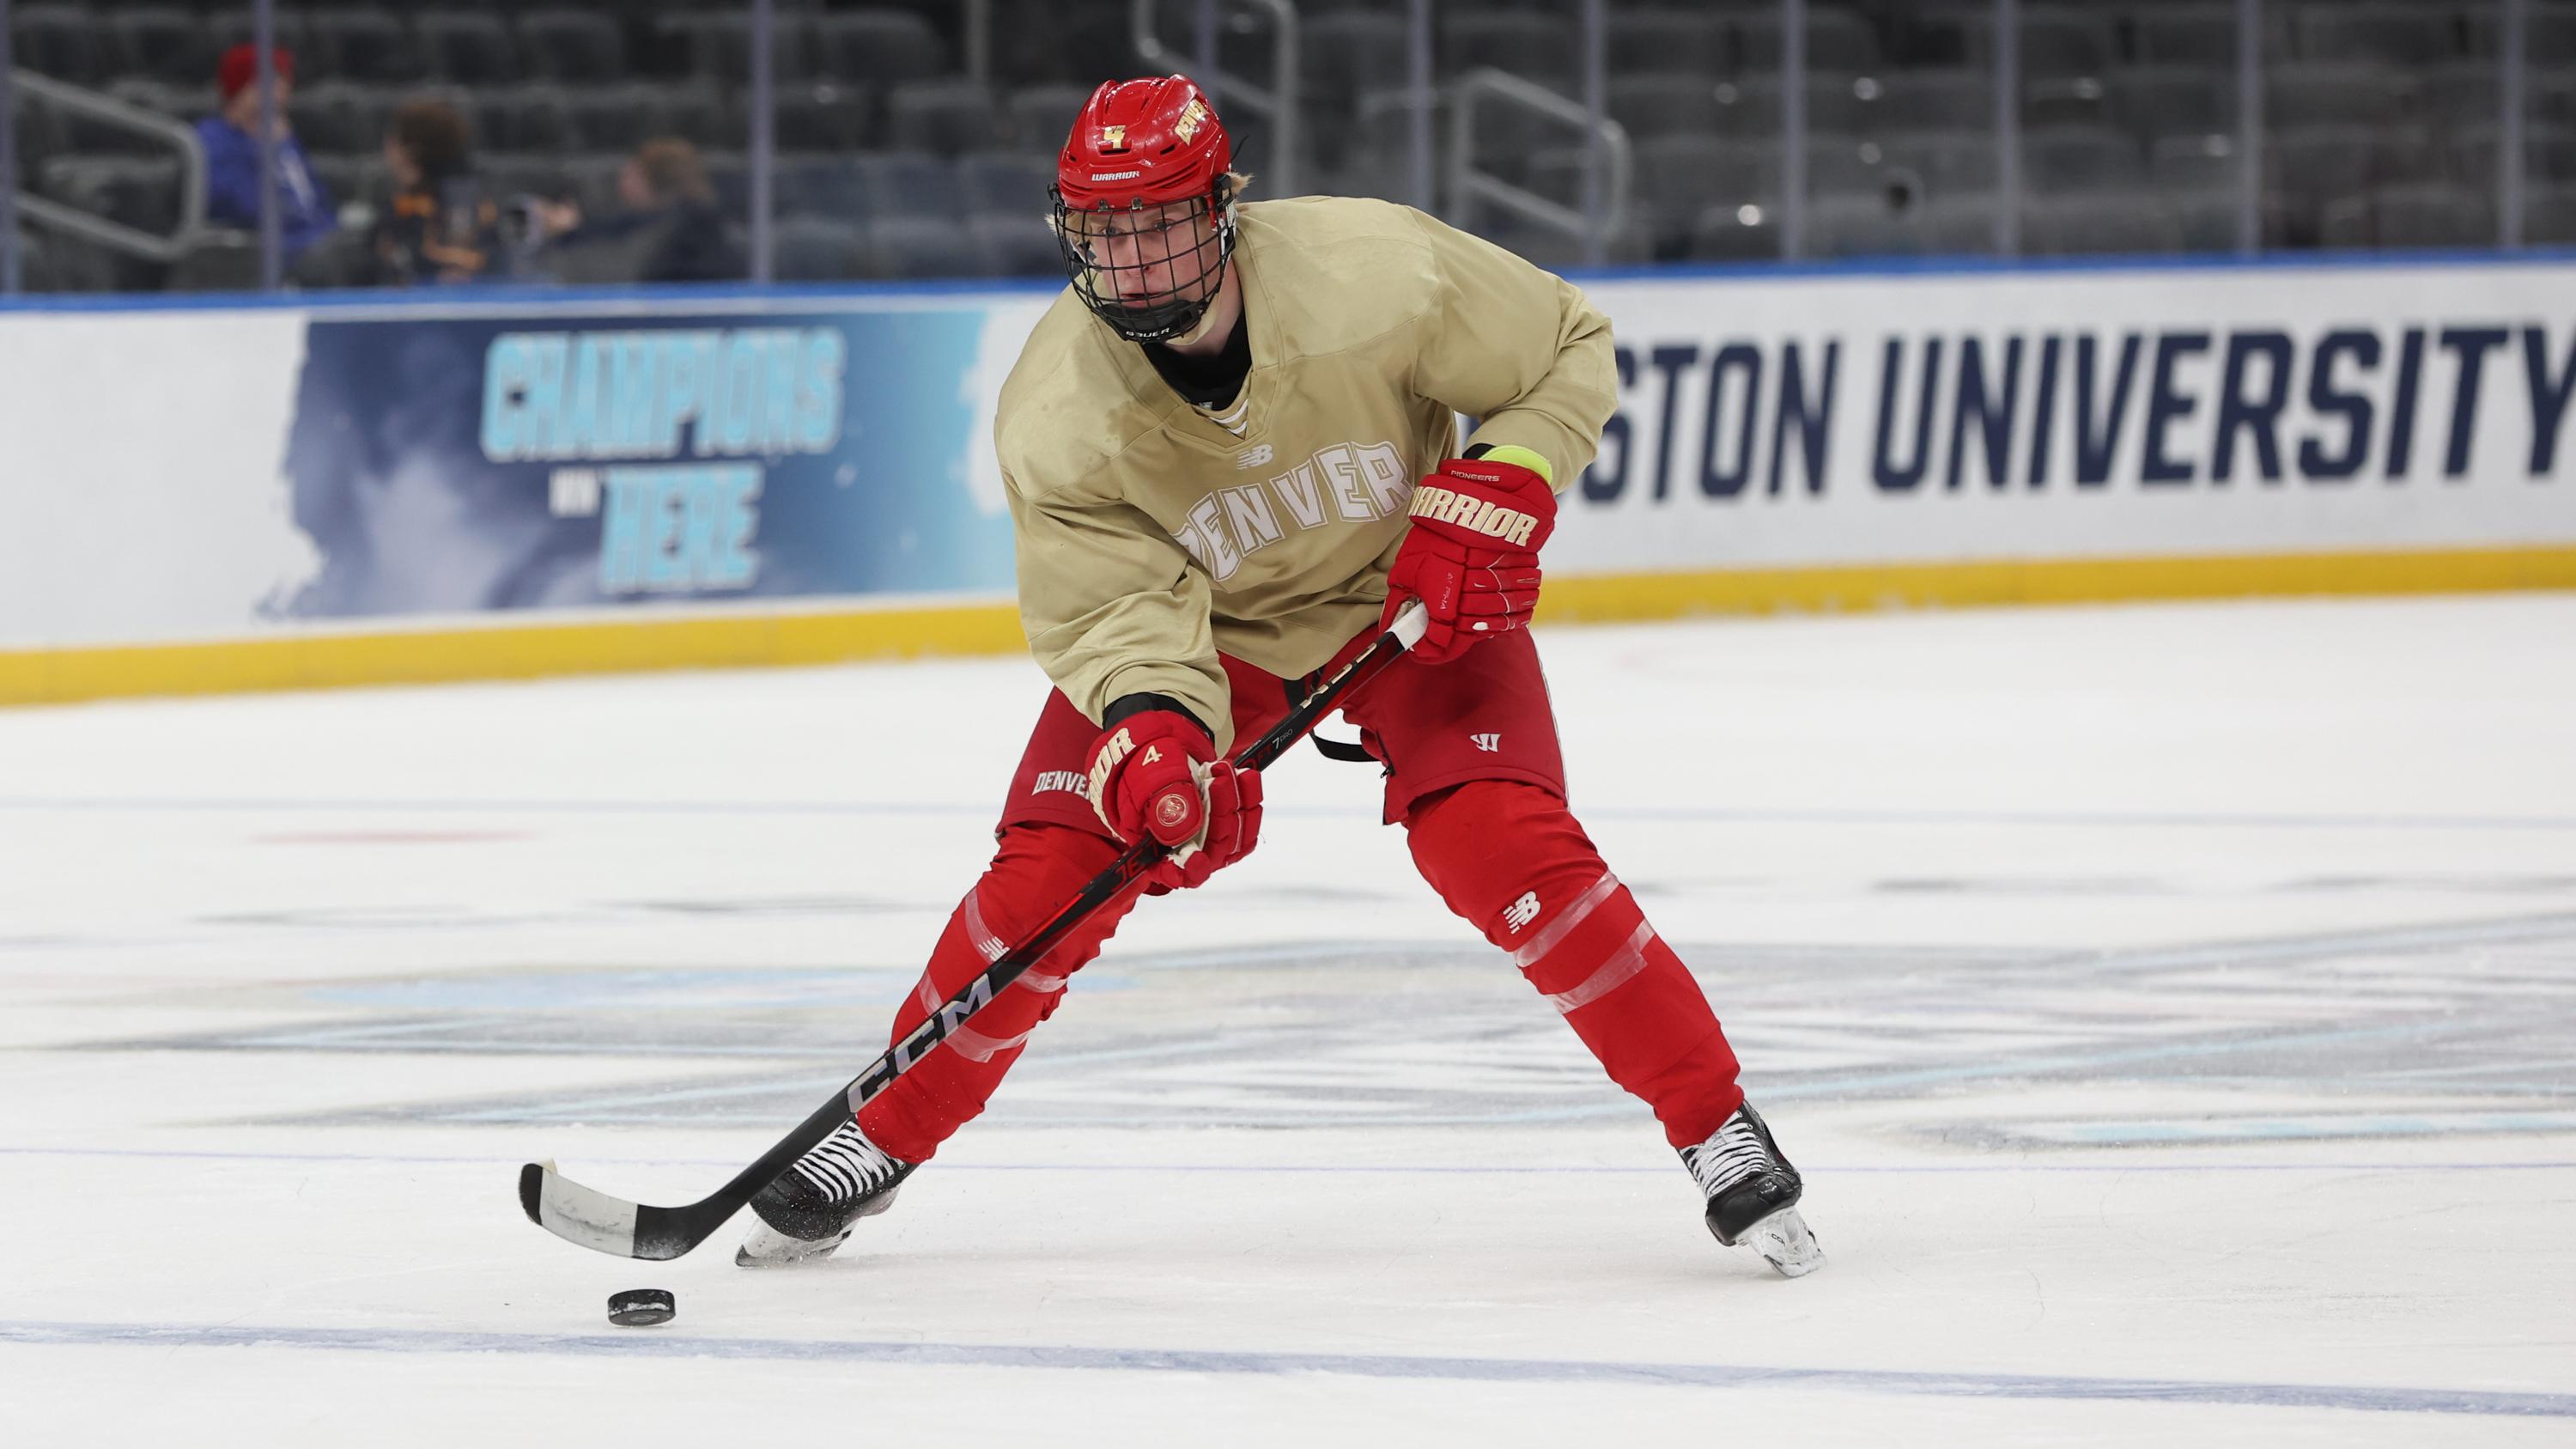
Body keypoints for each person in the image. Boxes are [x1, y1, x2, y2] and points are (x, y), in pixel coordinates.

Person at [735, 76, 1823, 1279]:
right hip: (1215, 635)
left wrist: (1507, 476)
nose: (1134, 262)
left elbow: (1565, 343)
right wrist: (1158, 734)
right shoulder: (1058, 409)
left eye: (1159, 224)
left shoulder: (1374, 272)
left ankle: (1715, 1121)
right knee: (1055, 868)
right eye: (1106, 233)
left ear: (1223, 208)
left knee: (1504, 842)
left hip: (1412, 593)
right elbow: (1115, 611)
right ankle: (879, 1133)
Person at [522, 138, 742, 284]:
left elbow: (621, 264)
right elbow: (619, 229)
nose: (622, 184)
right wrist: (574, 229)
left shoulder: (679, 232)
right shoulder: (667, 223)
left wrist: (567, 232)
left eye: (632, 174)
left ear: (652, 180)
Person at [194, 45, 335, 259]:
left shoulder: (282, 133)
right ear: (243, 88)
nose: (283, 89)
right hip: (256, 254)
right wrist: (271, 150)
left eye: (284, 80)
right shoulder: (211, 140)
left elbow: (316, 201)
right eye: (272, 80)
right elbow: (247, 208)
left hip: (311, 247)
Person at [369, 98, 500, 286]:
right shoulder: (401, 204)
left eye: (392, 141)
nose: (387, 152)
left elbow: (475, 259)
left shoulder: (459, 201)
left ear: (410, 151)